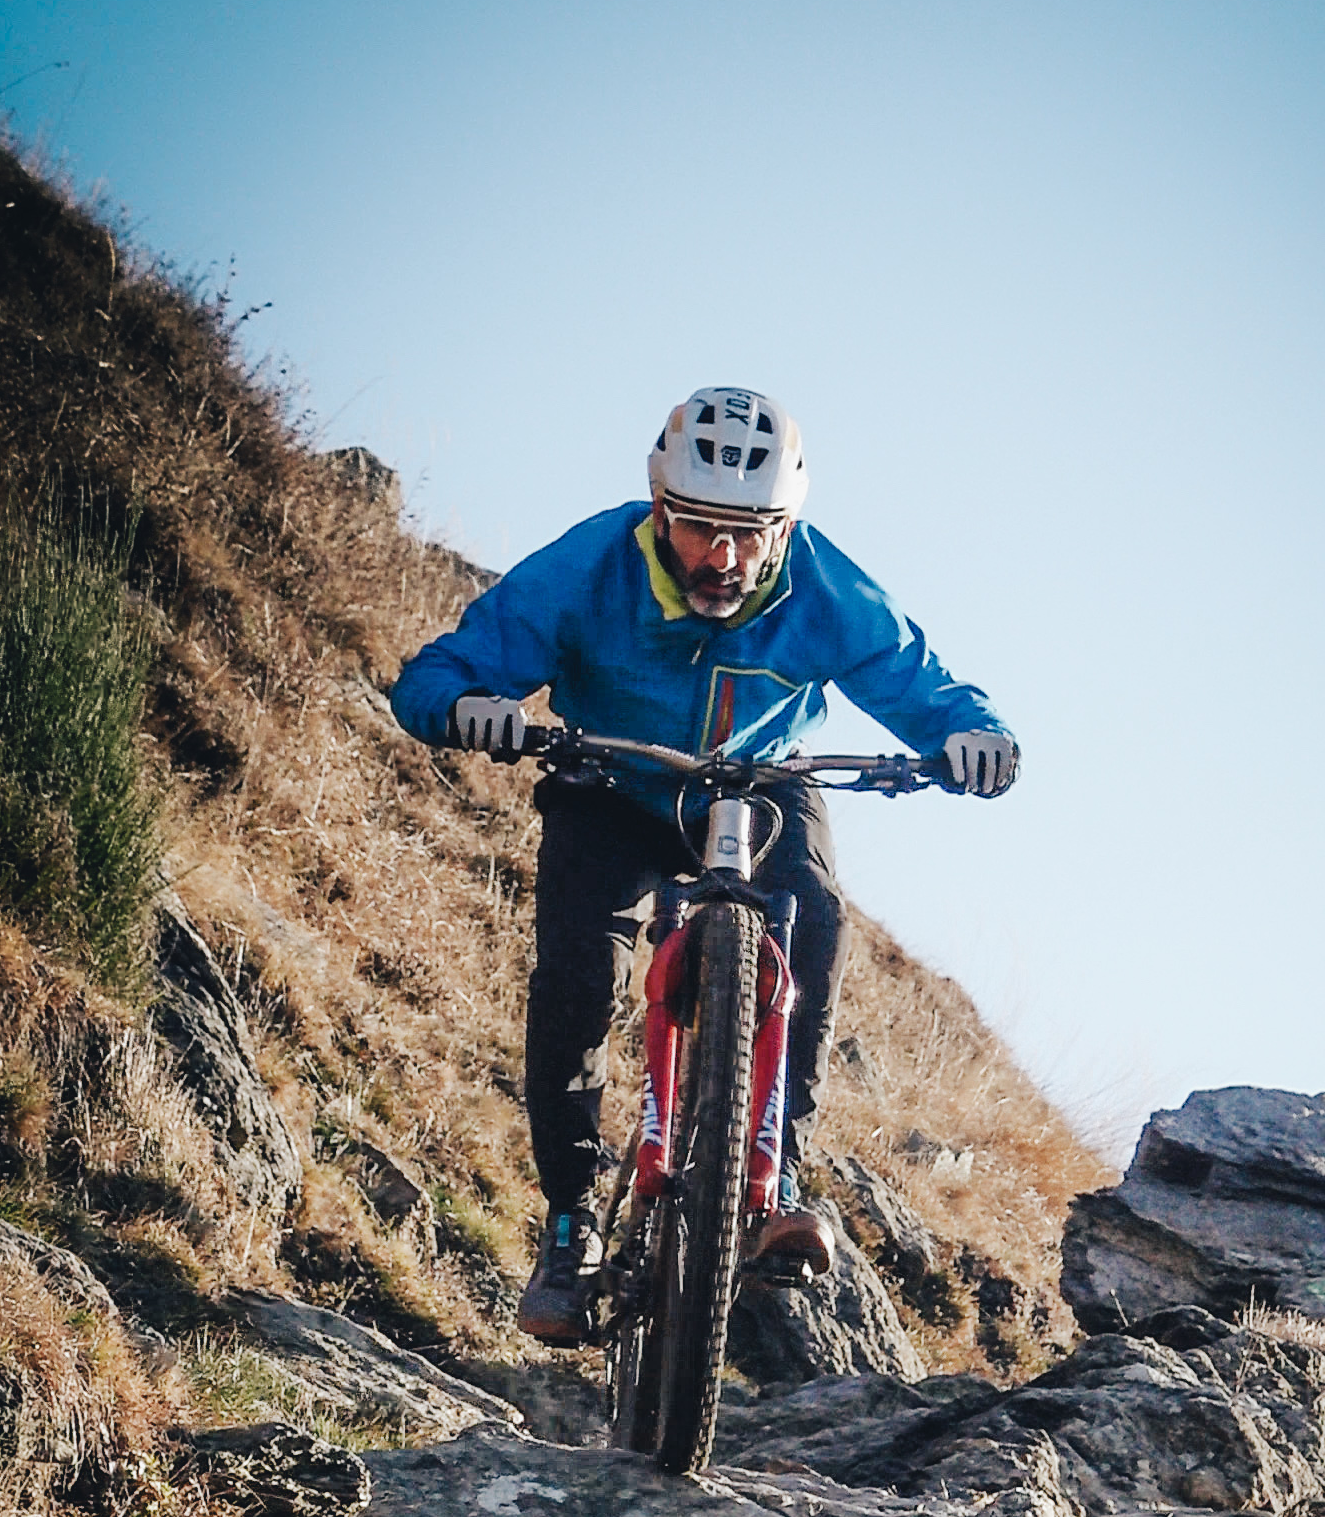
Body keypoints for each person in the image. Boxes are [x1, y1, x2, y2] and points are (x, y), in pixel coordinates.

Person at [388, 382, 1019, 1342]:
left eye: (751, 533)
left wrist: (973, 733)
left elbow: (915, 679)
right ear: (659, 509)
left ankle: (773, 1181)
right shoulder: (591, 564)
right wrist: (469, 706)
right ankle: (570, 1232)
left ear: (784, 527)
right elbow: (442, 671)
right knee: (576, 974)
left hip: (763, 789)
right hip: (614, 783)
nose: (723, 558)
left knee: (812, 921)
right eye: (699, 529)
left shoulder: (822, 583)